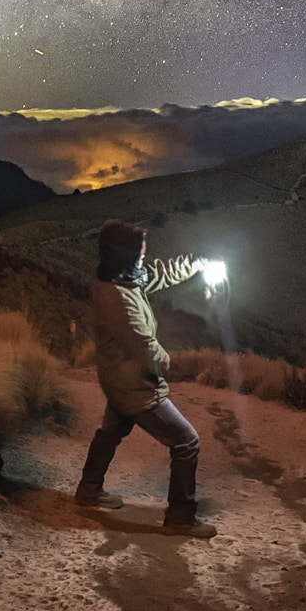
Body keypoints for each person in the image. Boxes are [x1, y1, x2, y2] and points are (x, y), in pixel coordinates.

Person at [74, 219, 217, 538]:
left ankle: (88, 492)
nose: (144, 253)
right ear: (124, 254)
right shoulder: (118, 297)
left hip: (117, 379)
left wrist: (194, 263)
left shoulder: (119, 277)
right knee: (186, 441)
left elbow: (157, 274)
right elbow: (144, 346)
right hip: (135, 387)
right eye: (140, 249)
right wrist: (169, 362)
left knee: (111, 431)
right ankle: (180, 518)